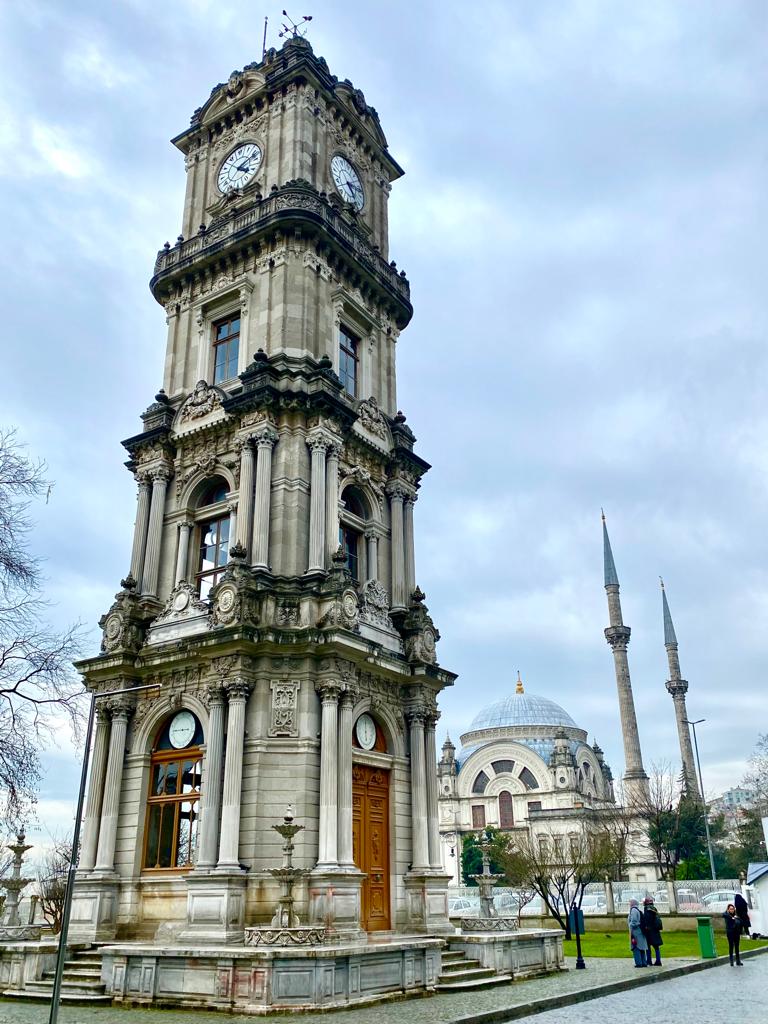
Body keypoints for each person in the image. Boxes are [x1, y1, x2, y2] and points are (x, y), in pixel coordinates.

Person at [641, 896, 664, 965]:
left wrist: (644, 927)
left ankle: (649, 960)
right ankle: (658, 960)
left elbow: (647, 920)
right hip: (655, 930)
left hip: (650, 931)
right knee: (656, 947)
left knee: (648, 947)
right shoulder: (654, 909)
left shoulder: (647, 909)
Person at [628, 898, 649, 967]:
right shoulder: (638, 910)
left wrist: (631, 925)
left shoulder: (633, 910)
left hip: (635, 932)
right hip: (640, 931)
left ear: (632, 903)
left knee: (636, 947)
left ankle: (639, 963)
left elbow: (634, 920)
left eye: (630, 902)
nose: (629, 904)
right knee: (642, 948)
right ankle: (644, 962)